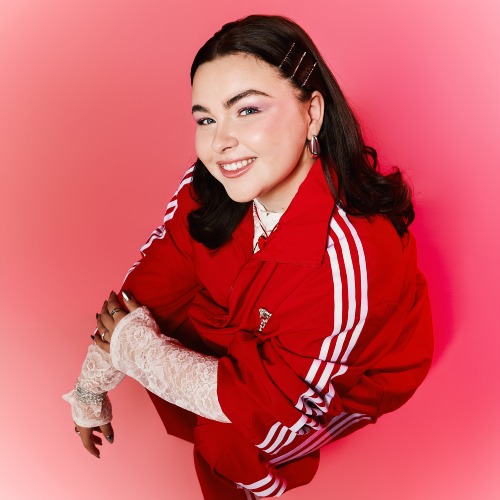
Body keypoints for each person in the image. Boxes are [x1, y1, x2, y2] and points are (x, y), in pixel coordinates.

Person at [64, 14, 433, 499]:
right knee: (165, 315)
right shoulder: (214, 182)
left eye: (248, 110)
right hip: (253, 321)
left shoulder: (353, 259)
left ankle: (255, 489)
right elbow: (146, 290)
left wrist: (139, 352)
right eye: (206, 119)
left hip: (351, 374)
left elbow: (273, 406)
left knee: (227, 442)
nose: (220, 143)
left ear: (312, 113)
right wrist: (89, 391)